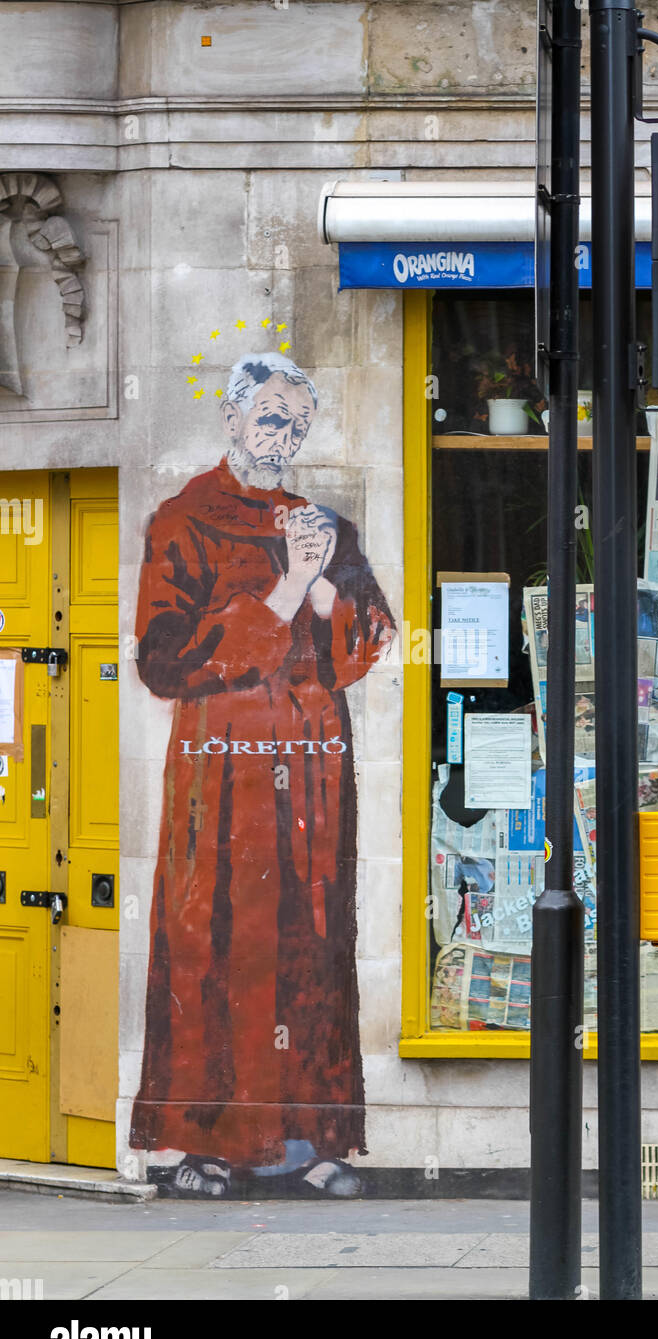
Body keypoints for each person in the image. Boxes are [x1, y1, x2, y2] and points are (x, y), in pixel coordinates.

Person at [129, 353, 396, 1197]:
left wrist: (324, 594)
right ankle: (208, 1142)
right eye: (270, 418)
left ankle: (313, 1139)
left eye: (296, 423)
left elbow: (370, 641)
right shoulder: (183, 520)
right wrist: (285, 593)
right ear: (234, 420)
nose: (283, 435)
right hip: (222, 774)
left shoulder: (323, 524)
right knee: (214, 941)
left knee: (312, 941)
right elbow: (164, 662)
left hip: (313, 769)